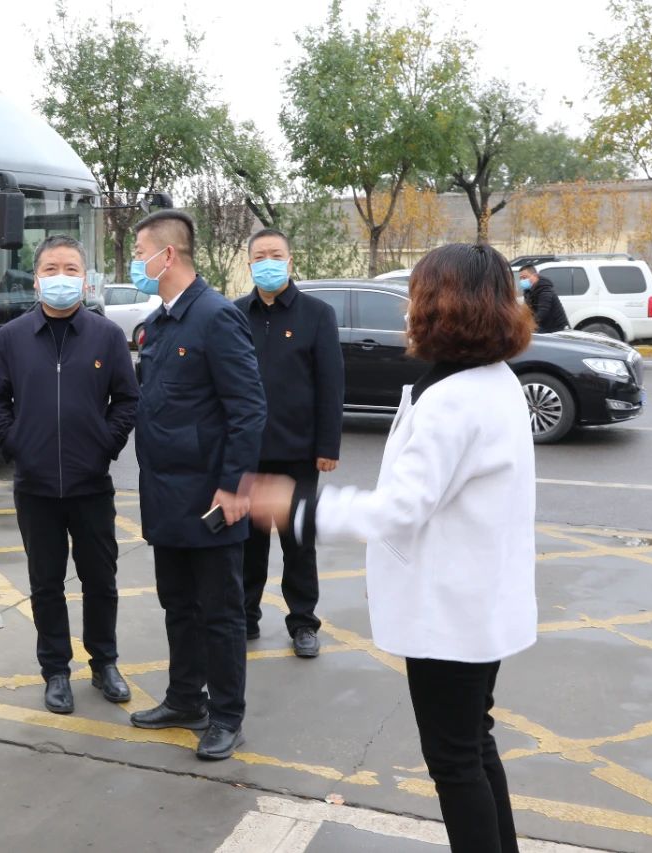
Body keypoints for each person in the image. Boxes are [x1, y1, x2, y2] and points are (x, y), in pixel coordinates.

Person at [248, 243, 537, 853]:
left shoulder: (455, 399)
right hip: (476, 601)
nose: (409, 309)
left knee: (454, 759)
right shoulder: (492, 380)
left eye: (416, 296)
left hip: (451, 611)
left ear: (444, 306)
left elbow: (398, 509)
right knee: (473, 742)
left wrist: (293, 507)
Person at [128, 210, 266, 761]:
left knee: (221, 612)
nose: (136, 262)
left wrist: (234, 487)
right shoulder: (159, 323)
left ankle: (227, 715)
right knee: (178, 605)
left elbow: (248, 409)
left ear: (168, 255)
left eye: (140, 253)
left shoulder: (215, 316)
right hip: (165, 494)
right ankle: (186, 698)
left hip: (211, 497)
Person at [0, 235, 140, 714]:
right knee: (46, 584)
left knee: (101, 580)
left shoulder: (105, 335)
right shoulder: (12, 337)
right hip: (35, 487)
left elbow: (127, 400)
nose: (61, 277)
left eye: (71, 269)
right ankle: (55, 670)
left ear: (85, 278)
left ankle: (105, 662)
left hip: (91, 484)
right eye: (51, 269)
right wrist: (17, 447)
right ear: (36, 280)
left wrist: (104, 446)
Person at [235, 229, 344, 656]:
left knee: (298, 540)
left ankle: (303, 623)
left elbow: (331, 384)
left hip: (298, 452)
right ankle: (245, 616)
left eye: (275, 255)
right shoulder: (233, 314)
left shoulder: (317, 314)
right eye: (260, 256)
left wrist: (327, 447)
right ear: (249, 264)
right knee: (247, 542)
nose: (268, 262)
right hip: (247, 451)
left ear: (289, 261)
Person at [518, 265, 570, 333]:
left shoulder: (545, 290)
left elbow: (542, 312)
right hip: (543, 327)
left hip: (556, 329)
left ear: (535, 276)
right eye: (520, 278)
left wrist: (529, 324)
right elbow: (528, 310)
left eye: (524, 277)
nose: (522, 280)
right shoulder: (528, 291)